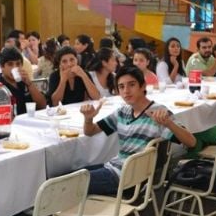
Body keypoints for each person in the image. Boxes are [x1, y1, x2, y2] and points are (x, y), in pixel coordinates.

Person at [79, 65, 196, 195]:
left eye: (132, 85)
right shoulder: (123, 112)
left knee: (67, 185)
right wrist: (88, 119)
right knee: (67, 177)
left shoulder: (157, 113)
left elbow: (191, 142)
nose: (126, 91)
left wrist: (169, 123)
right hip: (115, 168)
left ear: (143, 86)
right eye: (121, 87)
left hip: (128, 178)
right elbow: (89, 132)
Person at [0, 47, 46, 115]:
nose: (14, 68)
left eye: (18, 64)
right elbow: (1, 115)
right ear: (2, 67)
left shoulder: (24, 81)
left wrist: (30, 84)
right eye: (10, 64)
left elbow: (42, 105)